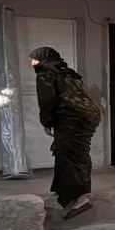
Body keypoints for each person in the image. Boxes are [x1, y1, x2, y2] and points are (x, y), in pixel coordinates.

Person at [30, 47, 102, 220]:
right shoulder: (68, 73)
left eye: (35, 59)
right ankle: (66, 193)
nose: (32, 63)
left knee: (70, 156)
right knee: (75, 153)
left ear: (45, 60)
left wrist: (46, 122)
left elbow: (47, 101)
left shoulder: (46, 75)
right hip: (88, 116)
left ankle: (80, 199)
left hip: (72, 118)